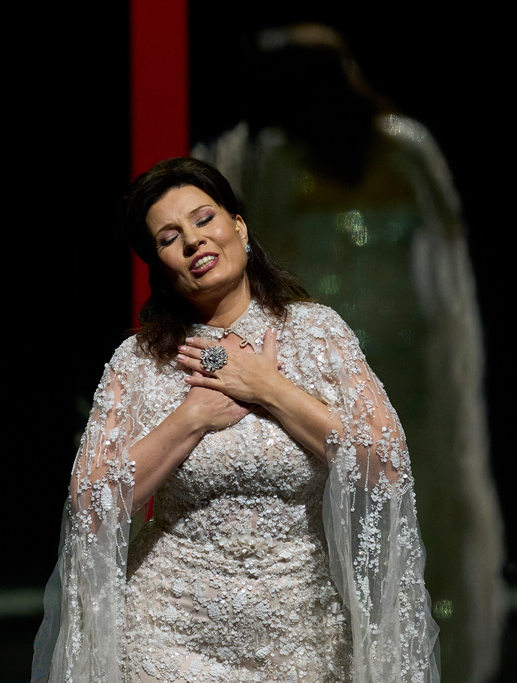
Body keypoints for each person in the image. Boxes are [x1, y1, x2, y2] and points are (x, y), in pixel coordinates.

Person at [33, 157, 439, 682]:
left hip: (303, 641)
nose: (194, 242)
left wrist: (268, 389)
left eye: (204, 220)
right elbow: (91, 505)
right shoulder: (139, 362)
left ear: (239, 227)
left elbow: (384, 464)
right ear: (161, 269)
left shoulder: (316, 333)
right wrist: (191, 417)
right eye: (169, 237)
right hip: (166, 637)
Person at [193, 24, 505, 682]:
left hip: (407, 382)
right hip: (318, 388)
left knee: (413, 528)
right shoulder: (266, 164)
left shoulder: (406, 151)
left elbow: (444, 275)